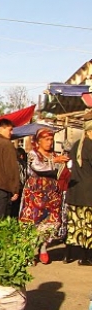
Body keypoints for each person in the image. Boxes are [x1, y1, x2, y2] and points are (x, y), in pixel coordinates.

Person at [19, 128, 69, 264]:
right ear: (39, 141)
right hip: (35, 193)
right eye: (46, 139)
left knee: (53, 222)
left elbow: (59, 172)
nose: (49, 142)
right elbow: (38, 167)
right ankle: (28, 251)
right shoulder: (32, 154)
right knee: (31, 223)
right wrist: (54, 161)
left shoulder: (54, 154)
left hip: (51, 194)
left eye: (51, 139)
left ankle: (43, 247)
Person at [64, 112, 92, 265]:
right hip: (88, 192)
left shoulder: (76, 145)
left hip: (74, 191)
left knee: (74, 225)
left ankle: (67, 255)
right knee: (88, 225)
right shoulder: (90, 145)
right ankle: (85, 257)